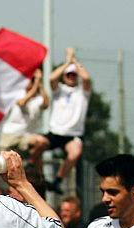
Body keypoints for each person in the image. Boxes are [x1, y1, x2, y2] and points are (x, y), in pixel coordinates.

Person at [31, 47, 92, 190]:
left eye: (73, 75)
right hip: (55, 132)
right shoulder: (60, 90)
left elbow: (87, 78)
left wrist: (74, 61)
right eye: (68, 75)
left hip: (72, 134)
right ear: (64, 76)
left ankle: (58, 180)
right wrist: (67, 62)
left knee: (75, 152)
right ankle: (41, 178)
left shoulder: (82, 92)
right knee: (36, 145)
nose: (71, 77)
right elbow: (52, 77)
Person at [0, 69, 49, 155]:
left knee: (42, 142)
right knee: (4, 164)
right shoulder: (17, 94)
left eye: (32, 80)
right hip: (10, 134)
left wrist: (40, 84)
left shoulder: (38, 99)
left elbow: (46, 104)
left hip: (25, 135)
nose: (31, 83)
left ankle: (32, 164)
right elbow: (22, 103)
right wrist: (36, 85)